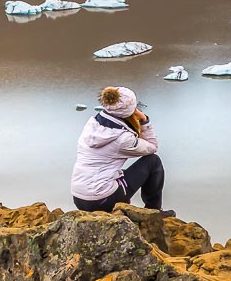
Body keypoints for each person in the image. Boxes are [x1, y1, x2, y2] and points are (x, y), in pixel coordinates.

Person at [71, 86, 170, 214]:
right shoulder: (123, 138)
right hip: (101, 200)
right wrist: (144, 120)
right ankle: (154, 211)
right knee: (153, 162)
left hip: (79, 198)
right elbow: (152, 147)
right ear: (130, 110)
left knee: (114, 172)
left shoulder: (92, 124)